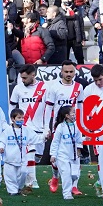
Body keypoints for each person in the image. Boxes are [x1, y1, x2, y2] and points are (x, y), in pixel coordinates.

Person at [43, 61, 83, 193]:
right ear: (61, 72)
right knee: (58, 155)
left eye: (71, 71)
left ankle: (74, 185)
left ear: (75, 72)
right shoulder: (54, 87)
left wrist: (82, 125)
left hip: (74, 125)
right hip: (59, 125)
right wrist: (46, 127)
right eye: (66, 71)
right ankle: (55, 177)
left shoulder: (79, 87)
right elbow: (48, 108)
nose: (68, 74)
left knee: (76, 154)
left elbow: (81, 107)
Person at [9, 65, 45, 189]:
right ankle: (31, 180)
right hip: (25, 127)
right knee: (30, 152)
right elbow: (12, 106)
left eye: (25, 78)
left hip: (40, 128)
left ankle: (25, 173)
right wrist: (12, 123)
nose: (23, 80)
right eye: (21, 78)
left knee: (37, 156)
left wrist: (48, 126)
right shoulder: (18, 88)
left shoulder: (44, 87)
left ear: (33, 75)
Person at [51, 105, 82, 200]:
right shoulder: (61, 127)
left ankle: (70, 186)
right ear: (67, 115)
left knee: (74, 175)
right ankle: (67, 194)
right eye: (73, 112)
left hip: (74, 156)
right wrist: (53, 154)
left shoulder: (77, 125)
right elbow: (55, 141)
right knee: (66, 174)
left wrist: (79, 149)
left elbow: (78, 139)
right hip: (62, 155)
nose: (75, 114)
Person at [0, 108, 30, 196]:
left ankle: (19, 187)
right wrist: (1, 147)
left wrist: (43, 138)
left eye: (22, 118)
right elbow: (2, 141)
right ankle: (12, 191)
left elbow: (35, 138)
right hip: (10, 159)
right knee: (10, 176)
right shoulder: (8, 130)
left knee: (23, 173)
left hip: (22, 159)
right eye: (19, 118)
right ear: (13, 119)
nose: (21, 120)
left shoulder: (26, 130)